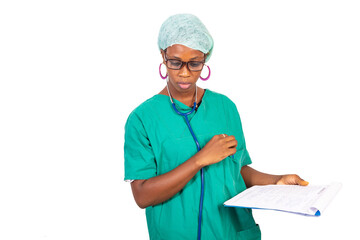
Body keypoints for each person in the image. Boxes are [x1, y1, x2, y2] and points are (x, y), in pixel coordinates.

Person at [124, 13, 308, 240]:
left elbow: (236, 170)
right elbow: (142, 195)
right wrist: (200, 159)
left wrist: (276, 180)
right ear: (163, 55)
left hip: (229, 232)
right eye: (175, 62)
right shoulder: (142, 119)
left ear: (205, 59)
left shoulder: (225, 107)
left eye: (195, 63)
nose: (185, 72)